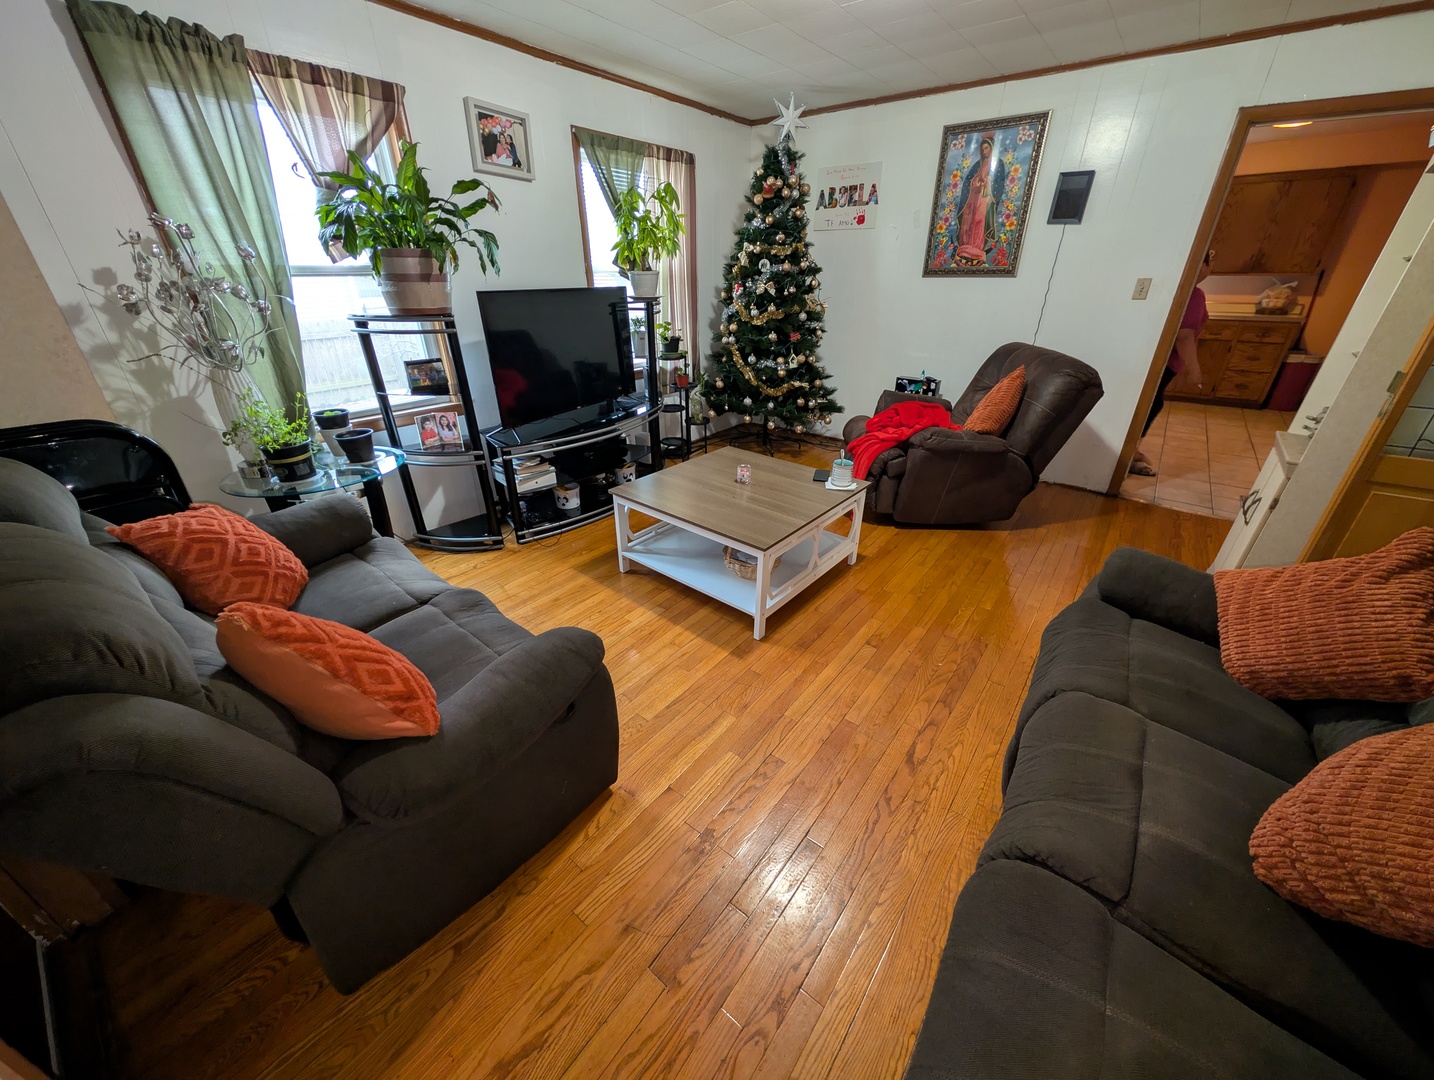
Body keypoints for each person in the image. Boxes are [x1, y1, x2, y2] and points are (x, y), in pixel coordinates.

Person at [1130, 249, 1212, 476]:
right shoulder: (1194, 295)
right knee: (1149, 406)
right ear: (1203, 265)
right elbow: (1184, 335)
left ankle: (1129, 453)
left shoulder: (1172, 288)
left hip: (1152, 359)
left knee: (1147, 405)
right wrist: (1194, 371)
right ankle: (1129, 454)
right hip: (1163, 363)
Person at [952, 132, 1005, 265]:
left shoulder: (997, 163)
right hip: (973, 198)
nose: (984, 151)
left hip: (985, 199)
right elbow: (969, 181)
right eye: (982, 149)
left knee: (979, 221)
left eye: (986, 148)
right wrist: (975, 183)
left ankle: (977, 248)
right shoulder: (977, 164)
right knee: (968, 221)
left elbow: (998, 184)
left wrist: (987, 181)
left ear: (992, 148)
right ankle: (965, 247)